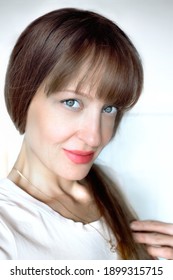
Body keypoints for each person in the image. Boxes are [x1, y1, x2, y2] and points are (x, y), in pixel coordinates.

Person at [0, 8, 172, 260]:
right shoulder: (7, 229)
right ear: (23, 98)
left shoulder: (109, 183)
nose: (95, 138)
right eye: (71, 102)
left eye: (109, 108)